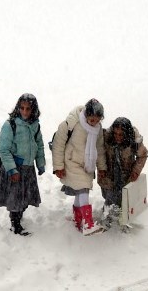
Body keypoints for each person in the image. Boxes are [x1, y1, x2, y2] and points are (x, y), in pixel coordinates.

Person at [52, 98, 107, 235]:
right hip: (71, 161)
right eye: (91, 117)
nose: (94, 121)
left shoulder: (98, 129)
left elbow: (99, 149)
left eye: (97, 119)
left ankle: (77, 221)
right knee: (83, 189)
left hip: (87, 164)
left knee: (80, 190)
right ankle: (88, 224)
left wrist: (102, 167)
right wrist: (58, 166)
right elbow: (58, 143)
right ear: (86, 114)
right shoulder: (73, 122)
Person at [0, 93, 45, 236]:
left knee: (25, 196)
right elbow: (3, 149)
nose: (25, 112)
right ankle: (15, 224)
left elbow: (39, 145)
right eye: (22, 108)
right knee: (15, 198)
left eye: (28, 109)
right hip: (15, 168)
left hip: (28, 168)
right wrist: (12, 169)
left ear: (33, 110)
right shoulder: (10, 125)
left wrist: (40, 163)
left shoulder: (35, 126)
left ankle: (19, 216)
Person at [97, 117, 148, 229]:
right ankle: (108, 216)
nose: (117, 137)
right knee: (109, 196)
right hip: (108, 175)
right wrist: (101, 168)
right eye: (115, 133)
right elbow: (99, 152)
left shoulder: (134, 141)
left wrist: (136, 171)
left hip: (125, 176)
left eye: (121, 134)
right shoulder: (106, 137)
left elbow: (143, 155)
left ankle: (117, 219)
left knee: (123, 199)